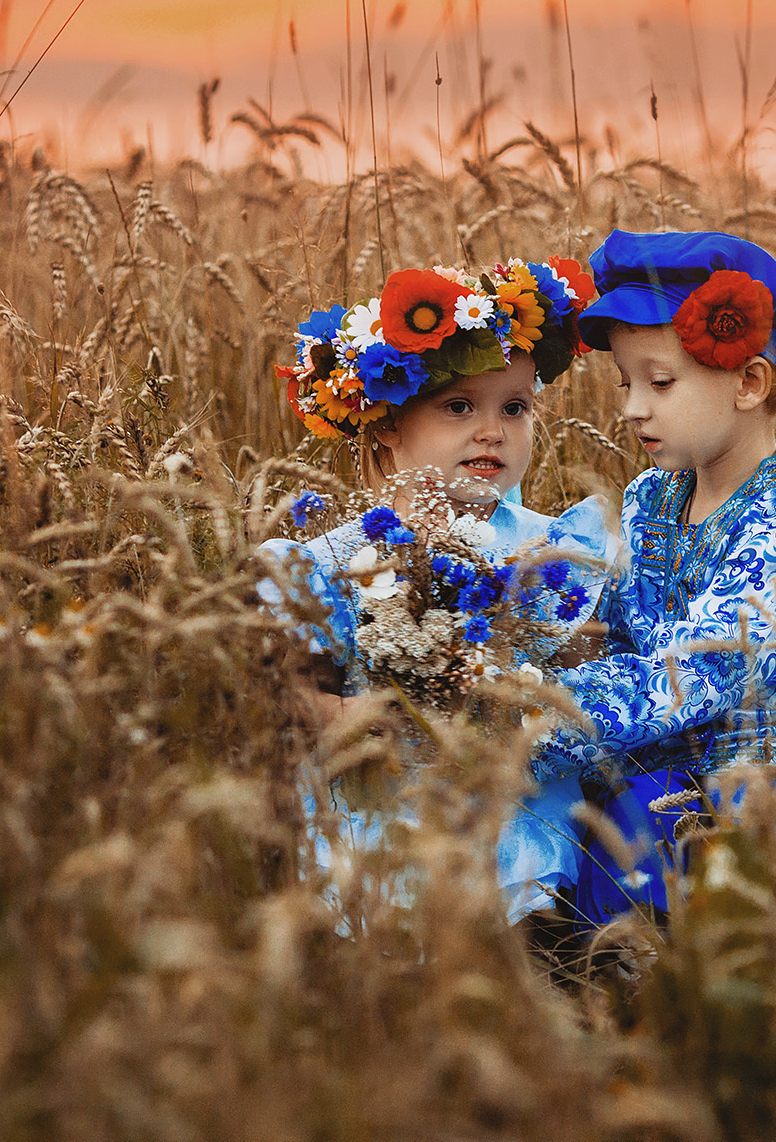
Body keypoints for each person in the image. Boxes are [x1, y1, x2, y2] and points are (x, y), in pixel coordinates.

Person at [534, 230, 776, 927]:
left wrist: (526, 718)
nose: (633, 407)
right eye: (627, 382)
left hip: (773, 766)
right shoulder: (650, 498)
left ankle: (754, 955)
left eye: (659, 382)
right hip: (666, 749)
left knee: (707, 831)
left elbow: (698, 669)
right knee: (568, 810)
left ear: (749, 383)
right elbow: (619, 638)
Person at [258, 258, 609, 922]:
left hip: (511, 804)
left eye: (514, 408)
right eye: (458, 407)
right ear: (388, 421)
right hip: (381, 804)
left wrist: (525, 700)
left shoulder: (549, 550)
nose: (492, 430)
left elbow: (584, 671)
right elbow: (292, 689)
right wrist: (350, 715)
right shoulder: (334, 561)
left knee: (518, 928)